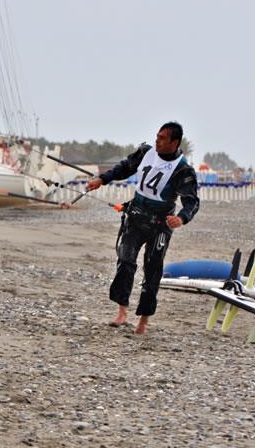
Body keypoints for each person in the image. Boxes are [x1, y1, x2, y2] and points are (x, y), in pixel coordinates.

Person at [86, 121, 200, 334]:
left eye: (162, 138)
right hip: (136, 217)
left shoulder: (183, 170)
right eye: (157, 136)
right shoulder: (146, 153)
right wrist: (102, 179)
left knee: (152, 270)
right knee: (125, 260)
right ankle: (121, 311)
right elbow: (124, 168)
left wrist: (182, 218)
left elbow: (192, 201)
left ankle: (144, 321)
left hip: (160, 224)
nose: (157, 141)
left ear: (175, 142)